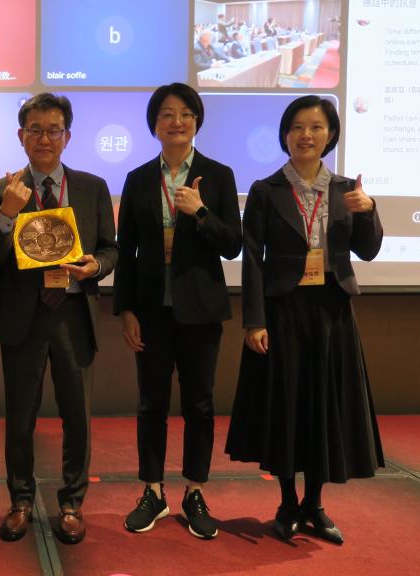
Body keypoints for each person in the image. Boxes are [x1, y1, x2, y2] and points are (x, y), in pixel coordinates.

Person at [225, 95, 384, 545]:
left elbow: (368, 250)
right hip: (283, 312)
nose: (306, 135)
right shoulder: (266, 189)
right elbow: (252, 260)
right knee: (287, 406)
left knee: (323, 407)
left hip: (332, 313)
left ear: (330, 134)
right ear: (285, 135)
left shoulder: (347, 190)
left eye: (316, 127)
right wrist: (254, 321)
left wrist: (368, 210)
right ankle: (287, 503)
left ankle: (314, 503)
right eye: (297, 127)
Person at [0, 93, 117, 545]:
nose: (44, 138)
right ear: (21, 136)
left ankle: (72, 503)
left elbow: (111, 249)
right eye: (35, 130)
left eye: (53, 130)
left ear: (68, 136)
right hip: (23, 317)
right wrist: (7, 213)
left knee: (77, 416)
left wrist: (95, 266)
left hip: (73, 313)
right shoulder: (4, 189)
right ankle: (20, 500)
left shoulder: (92, 186)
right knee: (20, 416)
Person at [114, 84, 242, 540]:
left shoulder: (218, 175)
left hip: (201, 311)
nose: (177, 122)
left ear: (197, 121)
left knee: (199, 405)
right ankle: (152, 491)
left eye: (186, 113)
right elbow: (126, 251)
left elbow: (233, 245)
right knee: (151, 403)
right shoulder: (137, 179)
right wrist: (126, 310)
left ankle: (194, 491)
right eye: (167, 114)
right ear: (154, 124)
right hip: (151, 310)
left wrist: (201, 212)